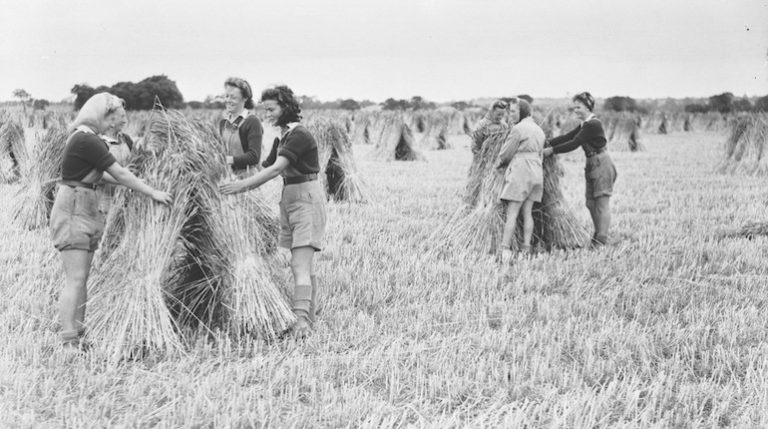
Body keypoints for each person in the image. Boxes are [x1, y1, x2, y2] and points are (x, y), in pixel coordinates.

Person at [50, 93, 172, 351]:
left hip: (85, 203)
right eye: (116, 118)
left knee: (82, 277)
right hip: (73, 207)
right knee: (75, 277)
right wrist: (151, 192)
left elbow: (105, 176)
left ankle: (79, 335)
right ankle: (69, 340)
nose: (119, 124)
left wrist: (143, 183)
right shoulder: (86, 139)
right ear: (103, 115)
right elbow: (119, 172)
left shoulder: (88, 139)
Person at [220, 85, 326, 339]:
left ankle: (301, 323)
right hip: (289, 198)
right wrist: (226, 168)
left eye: (272, 108)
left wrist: (241, 186)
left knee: (299, 263)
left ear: (286, 108)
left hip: (306, 199)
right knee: (303, 264)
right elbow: (261, 167)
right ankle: (308, 315)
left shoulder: (299, 135)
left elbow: (276, 169)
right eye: (264, 108)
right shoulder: (283, 136)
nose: (267, 113)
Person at [543, 91, 617, 247]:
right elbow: (567, 137)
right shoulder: (585, 124)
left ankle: (601, 240)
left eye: (578, 107)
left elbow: (574, 143)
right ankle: (597, 235)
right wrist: (546, 142)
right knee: (590, 203)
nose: (575, 110)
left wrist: (551, 151)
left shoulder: (593, 124)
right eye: (574, 108)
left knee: (601, 203)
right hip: (591, 162)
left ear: (588, 107)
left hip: (601, 163)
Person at [496, 99, 545, 263]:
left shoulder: (518, 129)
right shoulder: (539, 130)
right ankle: (526, 248)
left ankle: (505, 250)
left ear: (522, 112)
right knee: (527, 212)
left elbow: (506, 152)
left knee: (512, 213)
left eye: (514, 111)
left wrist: (499, 164)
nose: (510, 115)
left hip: (521, 170)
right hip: (537, 171)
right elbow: (541, 153)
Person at [219, 77, 263, 177]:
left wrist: (228, 160)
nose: (228, 100)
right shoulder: (223, 122)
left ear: (245, 98)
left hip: (247, 180)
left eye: (233, 97)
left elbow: (254, 156)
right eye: (226, 96)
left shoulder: (252, 122)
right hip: (228, 177)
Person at [97, 107, 133, 213]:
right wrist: (126, 179)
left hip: (125, 202)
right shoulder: (99, 143)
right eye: (122, 117)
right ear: (111, 122)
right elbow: (100, 176)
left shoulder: (126, 139)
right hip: (104, 204)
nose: (125, 121)